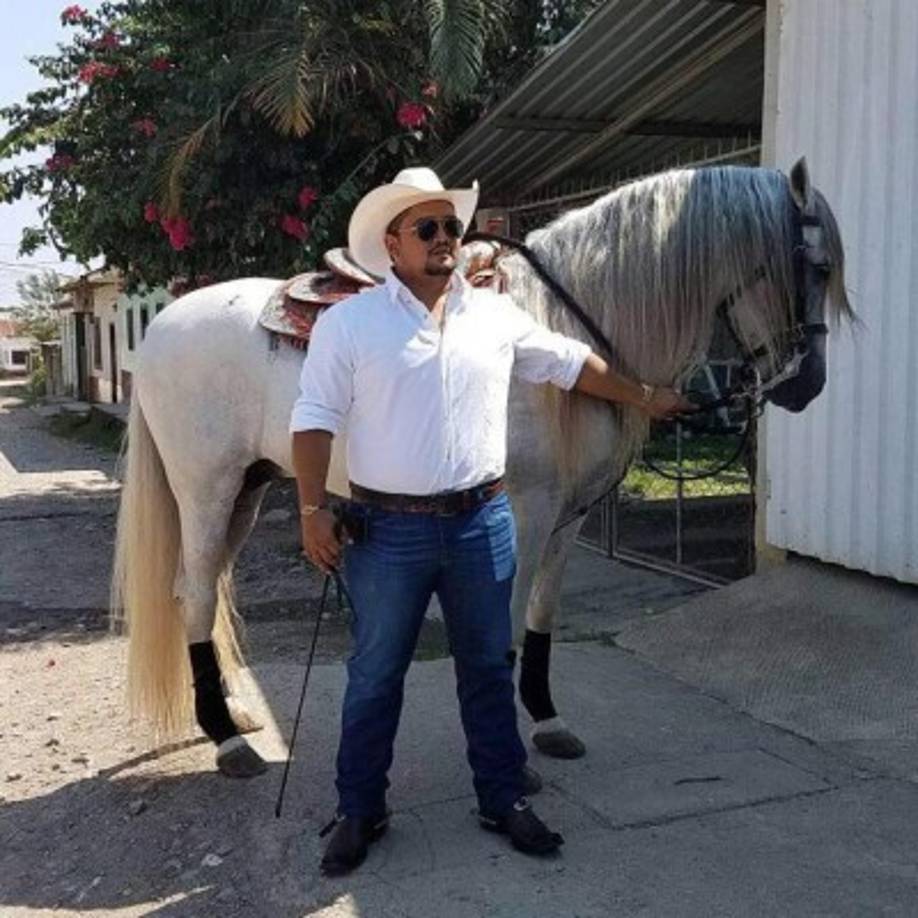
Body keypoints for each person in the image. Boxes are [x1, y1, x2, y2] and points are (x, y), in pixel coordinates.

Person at [290, 167, 694, 877]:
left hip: (483, 523)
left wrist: (644, 395)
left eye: (452, 227)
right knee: (376, 675)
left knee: (486, 666)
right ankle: (361, 808)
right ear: (392, 242)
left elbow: (571, 365)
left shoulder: (495, 314)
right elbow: (314, 420)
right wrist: (311, 509)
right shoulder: (351, 324)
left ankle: (501, 796)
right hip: (389, 532)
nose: (445, 239)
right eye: (427, 227)